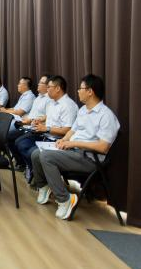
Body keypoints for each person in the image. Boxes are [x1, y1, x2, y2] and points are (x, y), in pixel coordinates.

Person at [31, 75, 120, 220]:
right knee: (36, 154)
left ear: (90, 91)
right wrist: (63, 140)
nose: (78, 91)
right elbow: (72, 130)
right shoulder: (83, 110)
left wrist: (74, 143)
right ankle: (44, 186)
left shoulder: (106, 116)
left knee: (46, 157)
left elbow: (103, 147)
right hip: (74, 152)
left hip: (90, 159)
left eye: (81, 88)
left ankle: (65, 199)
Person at [14, 75, 78, 181]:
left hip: (56, 139)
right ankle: (34, 170)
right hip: (45, 135)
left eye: (49, 87)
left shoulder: (68, 105)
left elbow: (67, 130)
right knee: (20, 143)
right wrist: (40, 120)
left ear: (57, 88)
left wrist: (47, 129)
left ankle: (40, 177)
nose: (47, 90)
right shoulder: (53, 102)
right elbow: (49, 116)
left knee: (32, 153)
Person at [7, 75, 51, 168]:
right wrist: (26, 120)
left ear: (48, 86)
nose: (38, 84)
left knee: (19, 142)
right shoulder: (38, 98)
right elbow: (32, 114)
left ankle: (27, 166)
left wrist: (30, 120)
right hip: (27, 125)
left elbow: (48, 117)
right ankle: (21, 163)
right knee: (8, 137)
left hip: (37, 129)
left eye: (41, 83)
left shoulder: (49, 99)